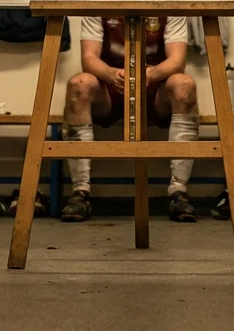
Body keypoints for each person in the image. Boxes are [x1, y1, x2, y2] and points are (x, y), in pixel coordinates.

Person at [60, 16, 199, 223]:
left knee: (184, 85)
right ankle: (80, 192)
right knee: (79, 84)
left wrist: (150, 74)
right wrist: (112, 74)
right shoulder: (99, 4)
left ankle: (179, 192)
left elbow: (177, 61)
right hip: (111, 85)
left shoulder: (168, 5)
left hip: (153, 86)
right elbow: (89, 58)